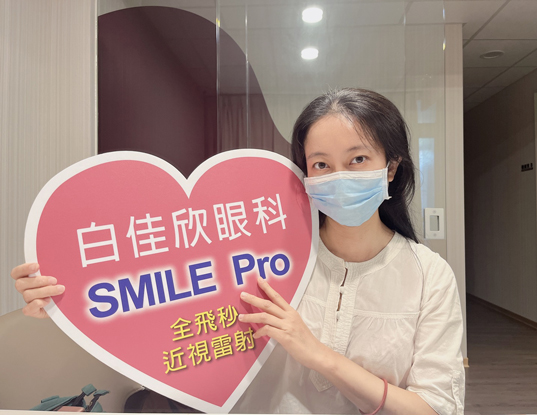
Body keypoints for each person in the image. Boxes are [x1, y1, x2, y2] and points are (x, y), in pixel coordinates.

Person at [11, 88, 465, 414]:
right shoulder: (259, 254)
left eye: (358, 159)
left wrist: (319, 355)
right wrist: (68, 303)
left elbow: (436, 407)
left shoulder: (429, 276)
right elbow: (161, 318)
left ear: (392, 166)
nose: (338, 175)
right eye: (321, 164)